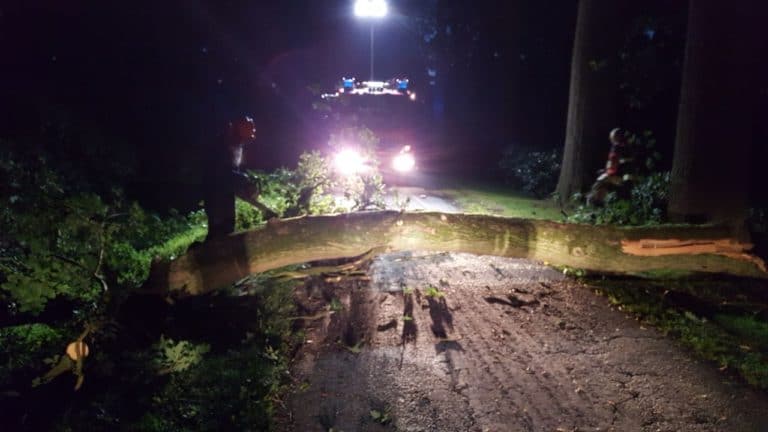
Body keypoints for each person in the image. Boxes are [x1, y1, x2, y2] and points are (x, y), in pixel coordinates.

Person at [205, 116, 256, 238]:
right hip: (215, 194)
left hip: (227, 194)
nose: (253, 132)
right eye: (250, 128)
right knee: (218, 231)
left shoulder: (238, 145)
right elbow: (220, 173)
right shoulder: (223, 143)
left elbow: (233, 172)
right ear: (241, 127)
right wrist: (243, 180)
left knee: (228, 228)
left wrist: (243, 185)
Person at [587, 128, 631, 206]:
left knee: (597, 185)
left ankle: (594, 203)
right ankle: (599, 202)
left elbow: (616, 161)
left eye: (612, 136)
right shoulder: (619, 147)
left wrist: (611, 171)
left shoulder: (618, 147)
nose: (610, 138)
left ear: (616, 137)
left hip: (617, 174)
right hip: (614, 173)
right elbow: (613, 161)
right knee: (602, 185)